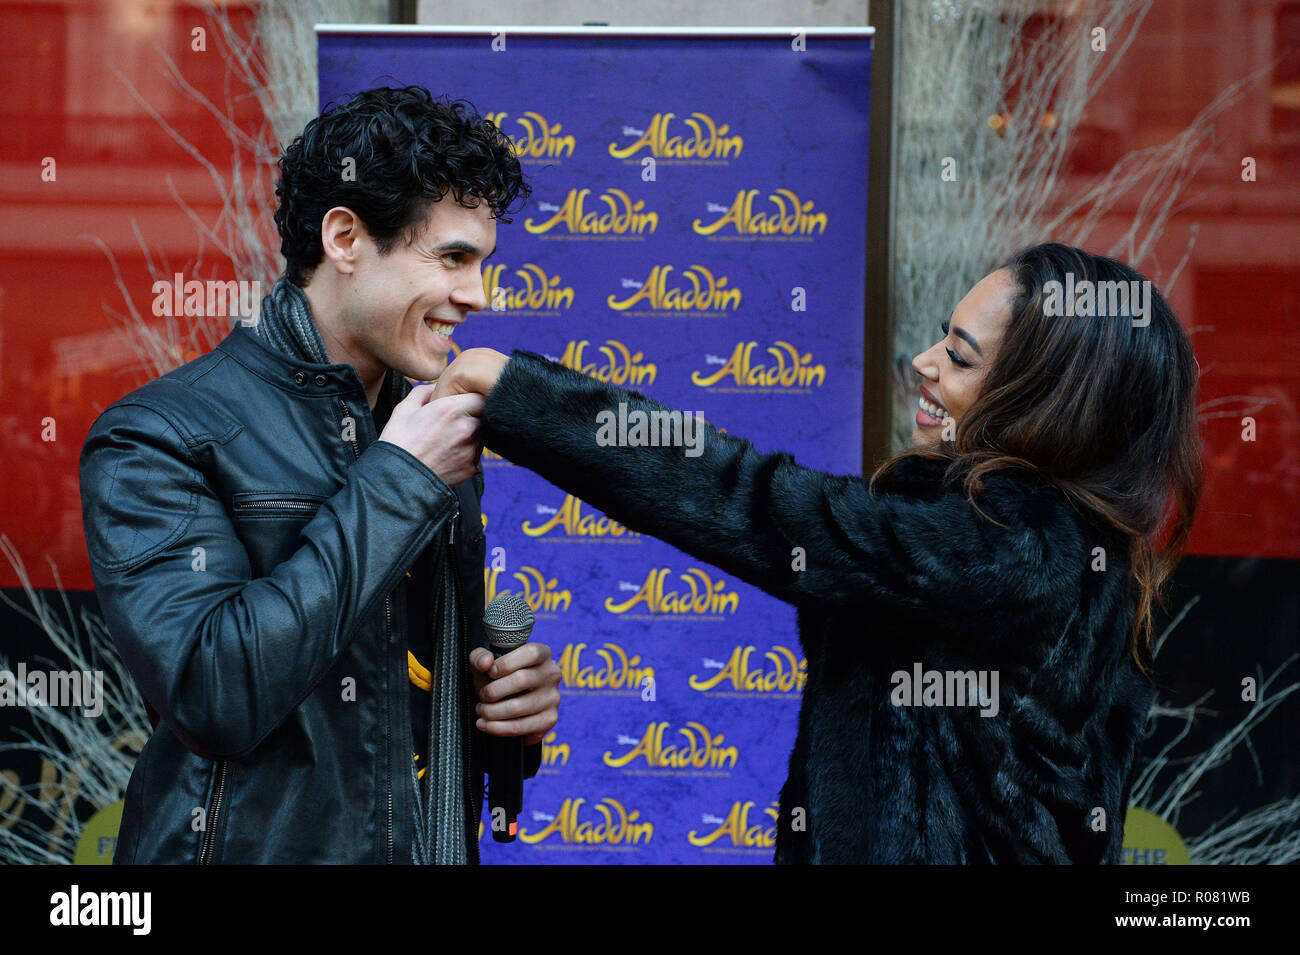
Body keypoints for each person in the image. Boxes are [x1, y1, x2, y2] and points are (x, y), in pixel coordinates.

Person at [434, 242, 1203, 864]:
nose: (926, 364)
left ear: (1045, 404)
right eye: (942, 336)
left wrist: (522, 398)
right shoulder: (1068, 549)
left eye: (961, 358)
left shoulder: (1011, 551)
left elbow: (754, 501)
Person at [78, 87, 560, 864]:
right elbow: (214, 694)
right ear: (344, 237)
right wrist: (400, 479)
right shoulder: (159, 434)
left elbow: (401, 694)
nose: (478, 296)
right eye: (451, 258)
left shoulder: (427, 426)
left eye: (484, 263)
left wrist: (502, 709)